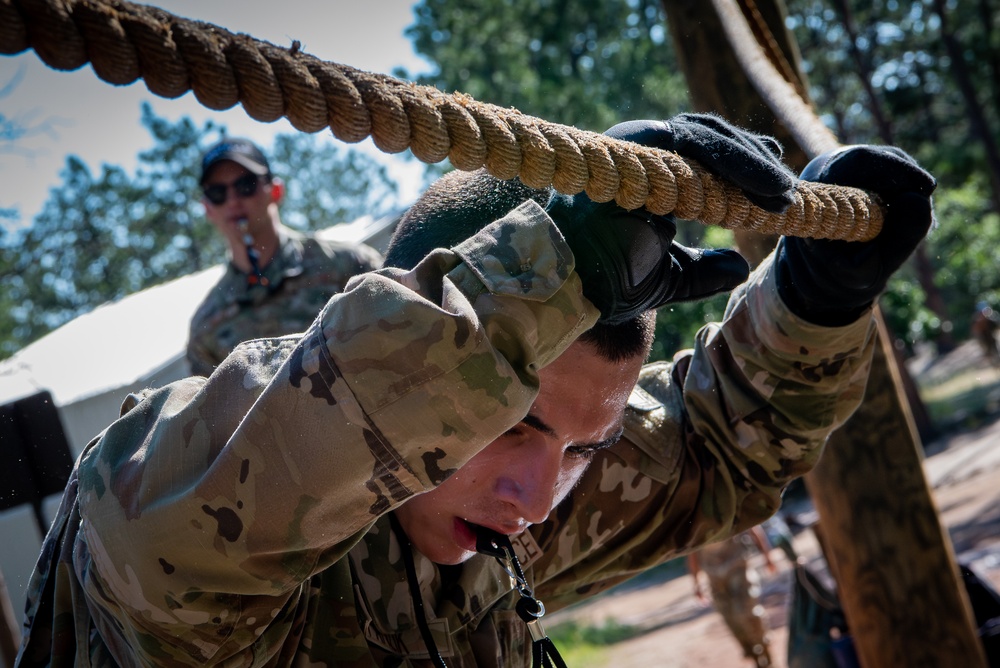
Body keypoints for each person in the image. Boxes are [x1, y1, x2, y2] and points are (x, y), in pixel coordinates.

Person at [15, 114, 936, 667]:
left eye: (582, 450)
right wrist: (550, 264)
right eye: (509, 424)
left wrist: (815, 300)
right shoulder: (185, 527)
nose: (536, 499)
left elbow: (722, 445)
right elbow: (168, 532)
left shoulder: (493, 514)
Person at [186, 137, 384, 377]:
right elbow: (217, 411)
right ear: (207, 208)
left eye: (245, 185)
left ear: (276, 190)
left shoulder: (349, 265)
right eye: (218, 192)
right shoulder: (207, 329)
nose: (233, 200)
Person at [689, 527, 777, 667]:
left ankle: (763, 645)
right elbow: (691, 550)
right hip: (714, 575)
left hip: (737, 566)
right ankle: (751, 652)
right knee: (729, 617)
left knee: (746, 610)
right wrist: (696, 582)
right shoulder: (693, 521)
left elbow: (753, 527)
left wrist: (767, 556)